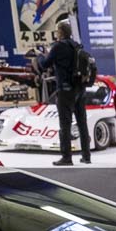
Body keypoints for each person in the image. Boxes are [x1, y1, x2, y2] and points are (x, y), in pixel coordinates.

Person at [38, 20, 91, 166]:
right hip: (80, 89)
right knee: (82, 123)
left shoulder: (58, 47)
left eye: (57, 31)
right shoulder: (76, 46)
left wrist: (40, 55)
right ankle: (86, 156)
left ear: (60, 32)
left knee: (65, 125)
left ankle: (66, 157)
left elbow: (44, 65)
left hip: (65, 91)